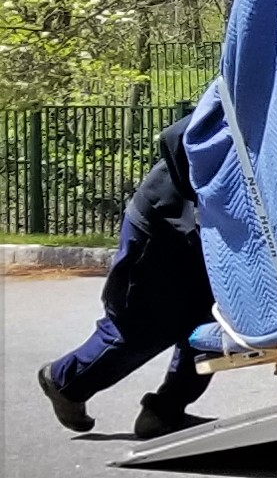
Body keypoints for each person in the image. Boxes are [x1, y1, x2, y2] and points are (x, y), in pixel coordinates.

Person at [37, 107, 213, 440]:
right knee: (142, 324)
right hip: (163, 221)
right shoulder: (246, 88)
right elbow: (174, 137)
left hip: (204, 229)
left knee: (212, 322)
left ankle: (165, 412)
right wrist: (197, 201)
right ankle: (64, 380)